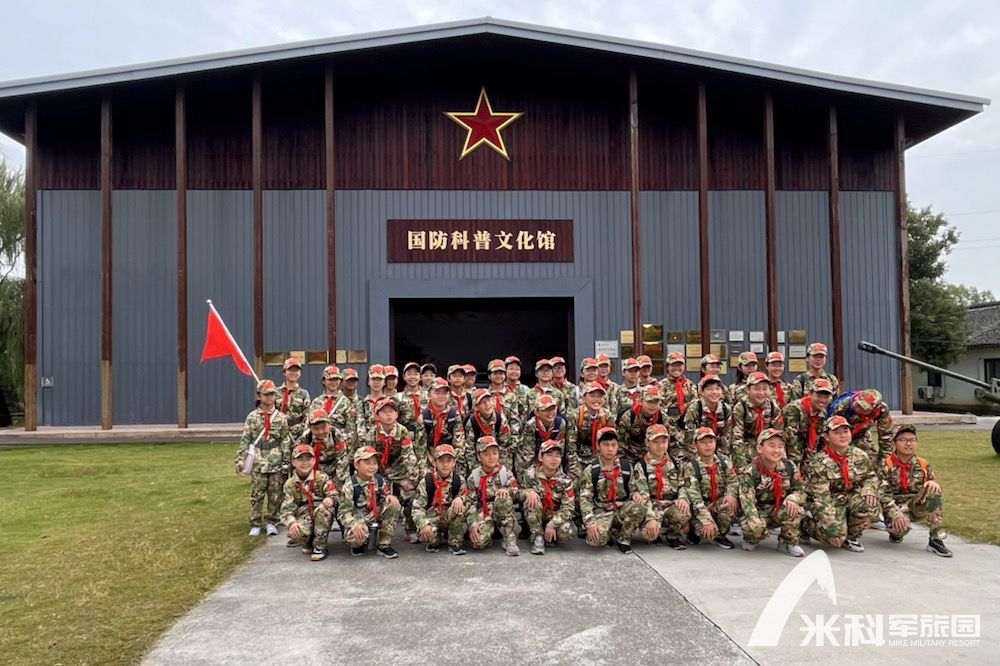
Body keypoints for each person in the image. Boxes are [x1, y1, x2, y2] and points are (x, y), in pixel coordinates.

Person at [801, 416, 882, 553]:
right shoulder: (819, 463)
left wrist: (869, 489)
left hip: (849, 496)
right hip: (829, 501)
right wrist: (831, 526)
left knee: (870, 505)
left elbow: (870, 476)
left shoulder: (860, 455)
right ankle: (804, 525)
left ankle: (851, 537)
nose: (843, 436)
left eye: (845, 431)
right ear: (826, 436)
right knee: (831, 535)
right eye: (837, 433)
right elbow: (821, 498)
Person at [577, 427, 649, 554]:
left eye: (613, 445)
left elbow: (632, 489)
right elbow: (585, 499)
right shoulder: (592, 470)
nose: (610, 449)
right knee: (597, 540)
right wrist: (590, 523)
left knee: (640, 506)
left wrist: (636, 494)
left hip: (621, 509)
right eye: (605, 445)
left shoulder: (626, 467)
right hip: (602, 511)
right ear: (598, 446)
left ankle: (624, 538)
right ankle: (608, 533)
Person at [236, 379, 293, 537]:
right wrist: (240, 460)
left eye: (272, 394)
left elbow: (285, 439)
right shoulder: (252, 417)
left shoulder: (280, 417)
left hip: (275, 459)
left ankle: (271, 521)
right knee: (257, 494)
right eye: (266, 394)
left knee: (275, 494)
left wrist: (286, 461)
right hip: (258, 460)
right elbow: (246, 439)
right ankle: (255, 523)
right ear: (259, 396)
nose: (269, 397)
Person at [884, 425, 952, 557]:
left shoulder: (923, 464)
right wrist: (895, 514)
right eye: (903, 440)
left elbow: (932, 483)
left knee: (933, 490)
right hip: (895, 505)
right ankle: (895, 533)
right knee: (900, 529)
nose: (908, 444)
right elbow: (882, 494)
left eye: (912, 440)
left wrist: (932, 482)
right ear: (894, 443)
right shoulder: (886, 464)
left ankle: (936, 539)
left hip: (916, 503)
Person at [360, 397, 421, 542]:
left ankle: (411, 529)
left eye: (391, 411)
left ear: (397, 414)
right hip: (379, 471)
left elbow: (409, 457)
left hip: (398, 470)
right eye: (384, 412)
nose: (388, 414)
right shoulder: (372, 434)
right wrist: (373, 478)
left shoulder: (402, 431)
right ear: (377, 416)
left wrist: (411, 480)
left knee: (410, 493)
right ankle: (373, 528)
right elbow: (367, 458)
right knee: (373, 495)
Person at [738, 428, 806, 557]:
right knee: (753, 527)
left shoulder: (789, 467)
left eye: (780, 446)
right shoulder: (751, 471)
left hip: (777, 508)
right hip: (758, 510)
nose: (776, 450)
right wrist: (756, 524)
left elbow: (801, 489)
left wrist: (793, 498)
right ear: (759, 448)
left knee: (795, 508)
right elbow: (747, 501)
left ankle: (787, 542)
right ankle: (751, 538)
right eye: (772, 446)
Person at [338, 446, 402, 558]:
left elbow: (385, 496)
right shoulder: (350, 486)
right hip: (358, 518)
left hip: (374, 515)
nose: (372, 467)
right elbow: (343, 512)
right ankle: (358, 545)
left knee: (393, 505)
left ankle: (384, 544)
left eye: (374, 463)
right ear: (357, 465)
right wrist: (354, 524)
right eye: (367, 463)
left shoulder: (379, 480)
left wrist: (389, 496)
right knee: (355, 537)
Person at [280, 443, 338, 561]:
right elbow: (286, 509)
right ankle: (308, 542)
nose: (305, 462)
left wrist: (330, 499)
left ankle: (320, 547)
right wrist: (292, 523)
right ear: (293, 462)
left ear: (314, 460)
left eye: (308, 458)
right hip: (304, 515)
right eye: (300, 459)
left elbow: (334, 494)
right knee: (296, 532)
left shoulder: (321, 477)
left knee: (323, 511)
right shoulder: (290, 484)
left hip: (321, 513)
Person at [684, 427, 738, 548]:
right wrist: (707, 521)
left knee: (730, 503)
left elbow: (733, 481)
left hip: (717, 503)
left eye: (711, 441)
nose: (708, 445)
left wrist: (730, 494)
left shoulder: (724, 462)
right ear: (695, 445)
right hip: (699, 507)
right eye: (703, 442)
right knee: (706, 533)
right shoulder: (691, 466)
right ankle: (694, 532)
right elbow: (695, 498)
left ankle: (721, 535)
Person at [520, 439, 577, 555]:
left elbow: (568, 508)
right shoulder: (530, 475)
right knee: (532, 500)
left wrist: (552, 524)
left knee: (567, 532)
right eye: (549, 455)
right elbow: (517, 493)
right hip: (535, 514)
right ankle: (538, 536)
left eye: (557, 456)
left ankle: (550, 534)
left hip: (553, 515)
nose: (554, 459)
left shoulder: (565, 481)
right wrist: (528, 492)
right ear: (541, 457)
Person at [639, 423, 691, 550]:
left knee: (683, 512)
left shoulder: (675, 463)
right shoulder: (642, 466)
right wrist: (650, 518)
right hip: (653, 505)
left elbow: (682, 484)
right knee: (648, 534)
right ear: (647, 443)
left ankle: (673, 536)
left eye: (664, 441)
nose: (660, 446)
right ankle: (655, 533)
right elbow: (643, 495)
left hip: (670, 503)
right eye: (656, 442)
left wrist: (683, 498)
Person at [466, 436, 520, 556]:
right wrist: (473, 523)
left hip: (502, 510)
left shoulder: (504, 473)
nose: (491, 457)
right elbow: (470, 503)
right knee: (478, 542)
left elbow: (516, 492)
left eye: (494, 453)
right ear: (479, 456)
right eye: (486, 454)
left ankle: (509, 537)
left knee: (503, 497)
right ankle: (490, 532)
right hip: (484, 511)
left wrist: (507, 490)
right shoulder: (474, 476)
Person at [411, 444, 469, 555]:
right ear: (435, 462)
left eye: (449, 461)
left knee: (460, 507)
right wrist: (424, 524)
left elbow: (468, 498)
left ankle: (455, 542)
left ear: (454, 463)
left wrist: (460, 498)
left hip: (449, 517)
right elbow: (417, 508)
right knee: (428, 536)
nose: (445, 464)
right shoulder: (427, 481)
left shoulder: (458, 480)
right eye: (441, 461)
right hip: (433, 517)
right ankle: (435, 539)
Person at [828, 389, 894, 471]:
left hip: (861, 434)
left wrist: (886, 458)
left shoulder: (881, 410)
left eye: (863, 408)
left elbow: (886, 435)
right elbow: (832, 430)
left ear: (873, 410)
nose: (857, 408)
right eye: (857, 403)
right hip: (842, 436)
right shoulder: (842, 407)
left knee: (873, 463)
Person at [730, 372, 783, 471]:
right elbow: (737, 439)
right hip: (747, 449)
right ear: (748, 390)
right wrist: (741, 466)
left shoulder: (773, 406)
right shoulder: (741, 407)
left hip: (768, 447)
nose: (761, 393)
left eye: (764, 388)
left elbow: (779, 434)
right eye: (757, 389)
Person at [781, 378, 835, 468]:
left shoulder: (822, 413)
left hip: (806, 453)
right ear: (810, 394)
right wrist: (795, 467)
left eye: (826, 397)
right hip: (786, 453)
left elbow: (818, 439)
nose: (822, 400)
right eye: (819, 396)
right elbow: (791, 441)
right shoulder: (794, 409)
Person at [417, 377, 466, 473]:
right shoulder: (424, 416)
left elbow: (459, 444)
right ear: (429, 395)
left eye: (444, 393)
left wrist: (451, 465)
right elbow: (420, 449)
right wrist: (426, 469)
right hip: (430, 460)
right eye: (437, 392)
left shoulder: (454, 415)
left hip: (450, 459)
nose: (441, 396)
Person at [518, 394, 571, 481]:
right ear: (537, 412)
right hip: (536, 458)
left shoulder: (560, 423)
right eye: (546, 410)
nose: (550, 413)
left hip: (553, 457)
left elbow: (560, 449)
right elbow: (528, 451)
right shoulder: (531, 425)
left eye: (553, 409)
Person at [616, 385, 674, 464]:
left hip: (656, 457)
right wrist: (623, 464)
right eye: (649, 402)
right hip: (633, 458)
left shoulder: (663, 418)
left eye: (656, 402)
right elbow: (621, 443)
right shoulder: (629, 417)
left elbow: (671, 442)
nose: (652, 405)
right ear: (641, 401)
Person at [569, 382, 614, 480]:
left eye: (599, 396)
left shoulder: (607, 416)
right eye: (592, 396)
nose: (596, 399)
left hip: (599, 458)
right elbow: (571, 446)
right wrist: (575, 469)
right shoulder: (575, 416)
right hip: (579, 459)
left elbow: (611, 443)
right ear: (584, 398)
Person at [682, 374, 733, 459]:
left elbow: (726, 437)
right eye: (709, 389)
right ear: (702, 392)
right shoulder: (695, 408)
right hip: (698, 451)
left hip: (718, 450)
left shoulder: (726, 409)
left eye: (717, 388)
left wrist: (721, 458)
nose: (714, 392)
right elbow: (689, 438)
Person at [464, 387, 514, 474]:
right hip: (479, 459)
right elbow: (470, 450)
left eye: (489, 400)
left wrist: (498, 469)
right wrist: (478, 471)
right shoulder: (472, 423)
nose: (487, 404)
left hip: (497, 457)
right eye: (483, 402)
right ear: (476, 407)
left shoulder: (500, 419)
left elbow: (505, 447)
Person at [309, 366, 353, 454]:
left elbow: (350, 427)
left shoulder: (345, 402)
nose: (334, 383)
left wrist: (348, 448)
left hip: (338, 443)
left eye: (336, 379)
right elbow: (309, 423)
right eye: (330, 380)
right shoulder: (316, 402)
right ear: (323, 381)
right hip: (319, 444)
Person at [299, 408, 349, 486]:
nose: (321, 432)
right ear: (310, 428)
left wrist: (339, 478)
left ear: (329, 424)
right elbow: (302, 458)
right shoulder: (307, 437)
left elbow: (342, 457)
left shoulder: (335, 434)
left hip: (333, 467)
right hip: (314, 468)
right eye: (316, 428)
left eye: (324, 427)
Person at [658, 352, 698, 429]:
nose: (676, 368)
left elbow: (695, 404)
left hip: (687, 424)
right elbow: (659, 408)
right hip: (667, 425)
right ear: (667, 367)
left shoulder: (690, 385)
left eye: (679, 365)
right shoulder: (661, 386)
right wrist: (669, 426)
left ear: (684, 367)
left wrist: (687, 421)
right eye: (673, 365)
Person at [277, 357, 311, 440]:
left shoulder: (303, 393)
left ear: (300, 373)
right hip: (278, 433)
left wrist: (300, 431)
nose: (293, 373)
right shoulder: (275, 392)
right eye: (290, 370)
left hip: (297, 435)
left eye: (296, 370)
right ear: (284, 372)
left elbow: (307, 416)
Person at [487, 358, 524, 436]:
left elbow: (514, 420)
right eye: (495, 373)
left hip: (507, 437)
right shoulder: (485, 396)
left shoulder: (511, 396)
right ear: (489, 376)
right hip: (488, 436)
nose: (498, 376)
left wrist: (514, 437)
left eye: (501, 373)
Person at [397, 361, 428, 439]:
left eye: (415, 374)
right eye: (409, 374)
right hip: (405, 439)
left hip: (425, 439)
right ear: (404, 377)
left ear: (420, 377)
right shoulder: (398, 397)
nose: (412, 377)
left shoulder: (428, 396)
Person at [359, 364, 389, 432]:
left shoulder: (390, 403)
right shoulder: (362, 404)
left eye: (380, 379)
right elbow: (360, 428)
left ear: (384, 382)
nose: (376, 382)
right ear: (368, 381)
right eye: (373, 379)